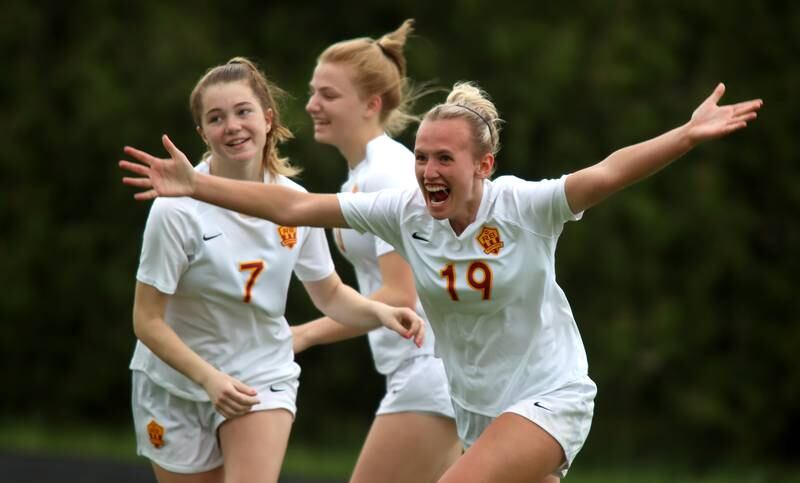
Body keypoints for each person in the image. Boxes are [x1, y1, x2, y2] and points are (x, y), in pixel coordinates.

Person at [120, 79, 762, 482]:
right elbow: (293, 206)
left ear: (483, 165)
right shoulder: (404, 213)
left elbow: (609, 171)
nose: (426, 169)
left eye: (443, 158)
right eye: (421, 156)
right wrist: (195, 184)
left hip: (549, 397)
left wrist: (686, 134)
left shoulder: (522, 206)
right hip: (475, 409)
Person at [126, 57, 423, 483]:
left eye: (243, 112)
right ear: (202, 133)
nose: (232, 126)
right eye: (216, 118)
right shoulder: (175, 211)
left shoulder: (294, 202)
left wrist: (379, 313)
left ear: (267, 120)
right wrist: (210, 379)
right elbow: (147, 321)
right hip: (174, 386)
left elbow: (330, 294)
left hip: (261, 375)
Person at [293, 19, 461, 483]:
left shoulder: (389, 173)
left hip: (427, 367)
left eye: (328, 95)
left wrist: (303, 335)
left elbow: (399, 295)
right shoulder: (360, 177)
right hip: (421, 368)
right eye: (313, 92)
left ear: (371, 104)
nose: (312, 105)